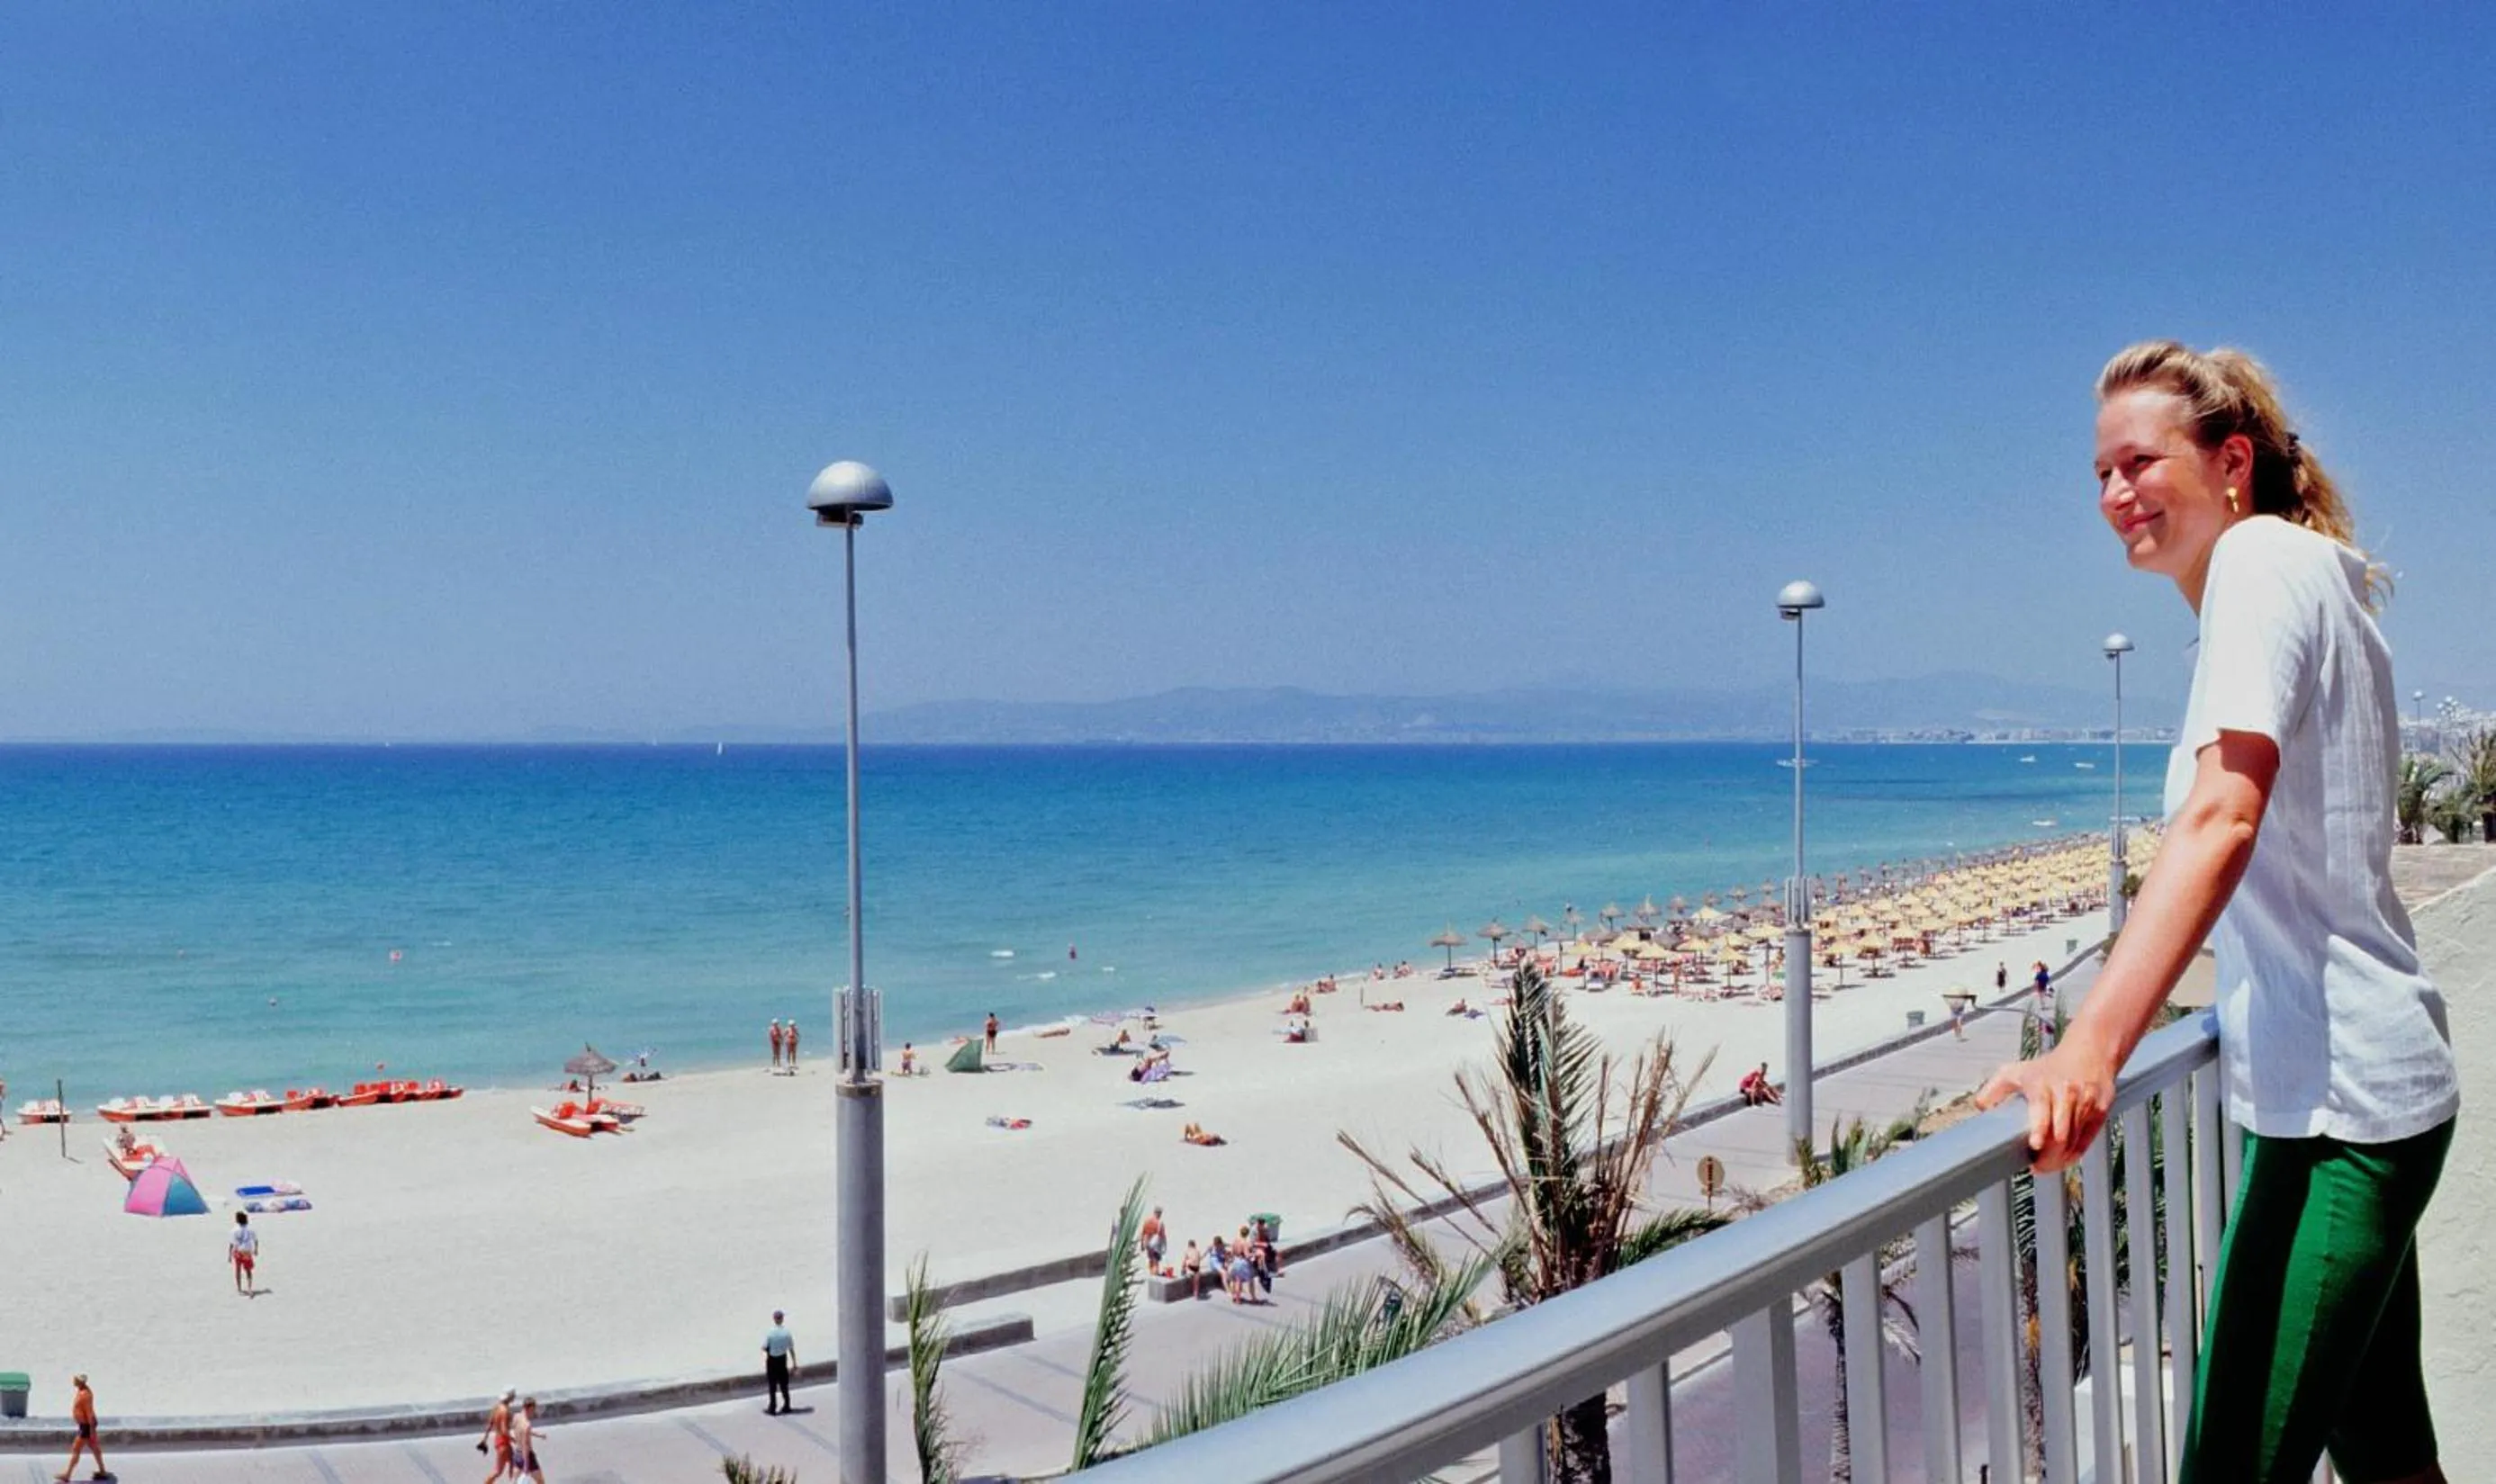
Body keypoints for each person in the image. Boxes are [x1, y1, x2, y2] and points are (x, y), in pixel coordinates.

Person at [1978, 341, 2460, 1484]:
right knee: (2391, 1456)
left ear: (2229, 460)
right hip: (2335, 1097)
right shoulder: (2302, 576)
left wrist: (2085, 1050)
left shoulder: (2255, 563)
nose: (2112, 495)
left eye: (2139, 461)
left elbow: (2220, 820)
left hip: (2342, 1121)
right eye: (2097, 474)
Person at [59, 1373, 104, 1483]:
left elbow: (89, 1412)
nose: (73, 1381)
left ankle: (67, 1475)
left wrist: (91, 1430)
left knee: (76, 1449)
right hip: (86, 1425)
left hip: (86, 1426)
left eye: (75, 1380)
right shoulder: (82, 1391)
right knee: (94, 1448)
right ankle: (102, 1470)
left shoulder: (85, 1395)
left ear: (80, 1382)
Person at [477, 1387, 517, 1483]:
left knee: (513, 1463)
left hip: (498, 1440)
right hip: (504, 1442)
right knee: (498, 1471)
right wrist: (514, 1439)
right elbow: (504, 1429)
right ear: (510, 1397)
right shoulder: (505, 1411)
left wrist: (485, 1439)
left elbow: (490, 1424)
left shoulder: (496, 1408)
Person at [761, 1309, 797, 1415]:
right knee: (784, 1384)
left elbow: (764, 1347)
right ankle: (787, 1404)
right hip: (783, 1359)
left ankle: (772, 1407)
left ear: (774, 1319)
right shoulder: (787, 1333)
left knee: (772, 1385)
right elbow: (791, 1349)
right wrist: (794, 1363)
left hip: (772, 1360)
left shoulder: (770, 1333)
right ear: (782, 1319)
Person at [510, 1396, 545, 1482]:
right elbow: (526, 1445)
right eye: (533, 1409)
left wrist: (538, 1434)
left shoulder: (516, 1417)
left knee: (515, 1481)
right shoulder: (527, 1424)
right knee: (540, 1481)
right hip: (527, 1456)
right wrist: (526, 1465)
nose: (533, 1412)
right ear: (530, 1408)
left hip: (517, 1454)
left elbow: (519, 1431)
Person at [230, 1210, 259, 1297]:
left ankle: (239, 1289)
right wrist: (256, 1249)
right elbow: (256, 1240)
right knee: (248, 1271)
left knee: (238, 1270)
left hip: (238, 1252)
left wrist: (229, 1255)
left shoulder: (234, 1230)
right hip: (247, 1252)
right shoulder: (250, 1229)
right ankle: (249, 1289)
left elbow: (232, 1243)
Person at [1140, 1206, 1167, 1274]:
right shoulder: (1159, 1223)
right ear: (1158, 1213)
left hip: (1148, 1245)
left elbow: (1143, 1234)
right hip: (1156, 1246)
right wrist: (1164, 1248)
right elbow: (1162, 1236)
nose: (1160, 1215)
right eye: (1160, 1213)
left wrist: (1142, 1246)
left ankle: (1152, 1275)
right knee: (1155, 1263)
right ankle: (1155, 1276)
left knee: (1151, 1261)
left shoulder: (1147, 1221)